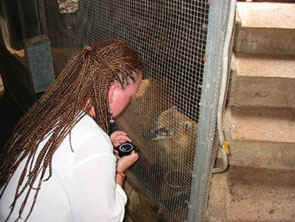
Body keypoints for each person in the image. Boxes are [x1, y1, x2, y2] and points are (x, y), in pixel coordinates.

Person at [0, 39, 143, 222]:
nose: (129, 102)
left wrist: (106, 146)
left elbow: (71, 156)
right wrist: (118, 171)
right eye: (130, 96)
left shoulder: (61, 110)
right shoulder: (92, 143)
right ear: (113, 91)